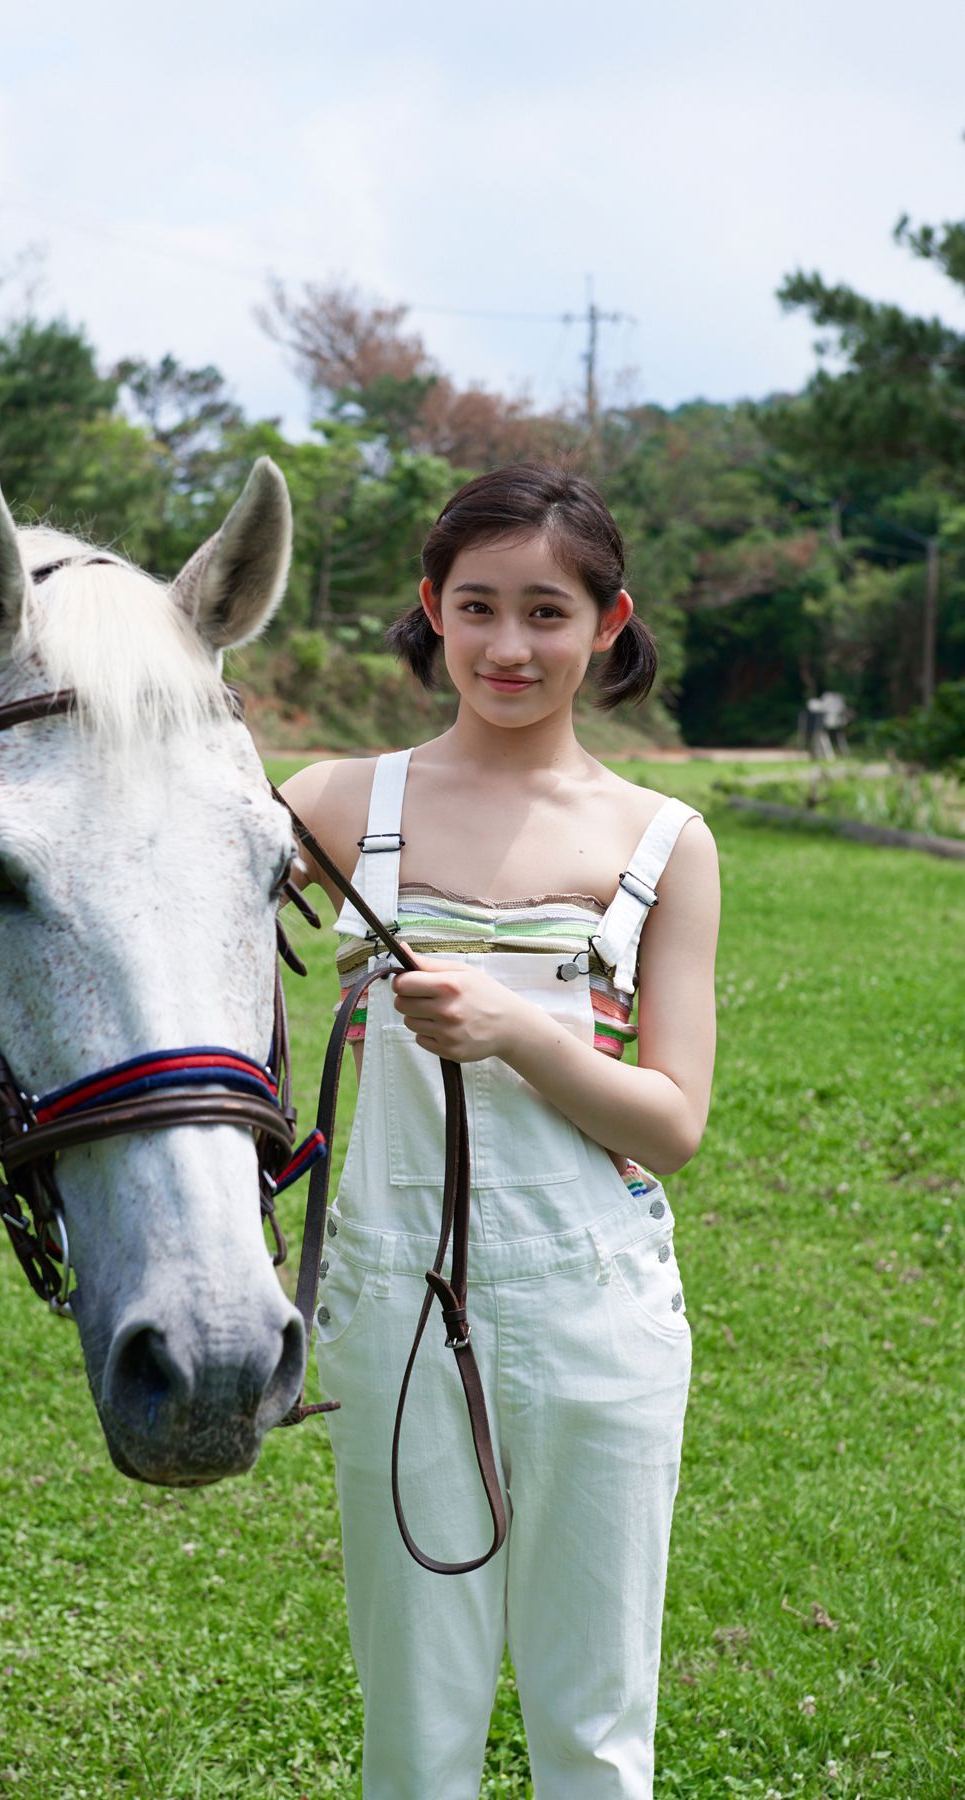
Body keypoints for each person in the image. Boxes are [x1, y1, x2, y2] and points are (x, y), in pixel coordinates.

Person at [280, 464, 720, 1799]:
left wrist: (520, 1032)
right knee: (415, 1732)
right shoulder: (334, 805)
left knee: (593, 1729)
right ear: (430, 610)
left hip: (595, 1313)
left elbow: (674, 1119)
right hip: (388, 1300)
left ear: (607, 622)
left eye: (546, 611)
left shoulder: (662, 838)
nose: (507, 646)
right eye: (476, 608)